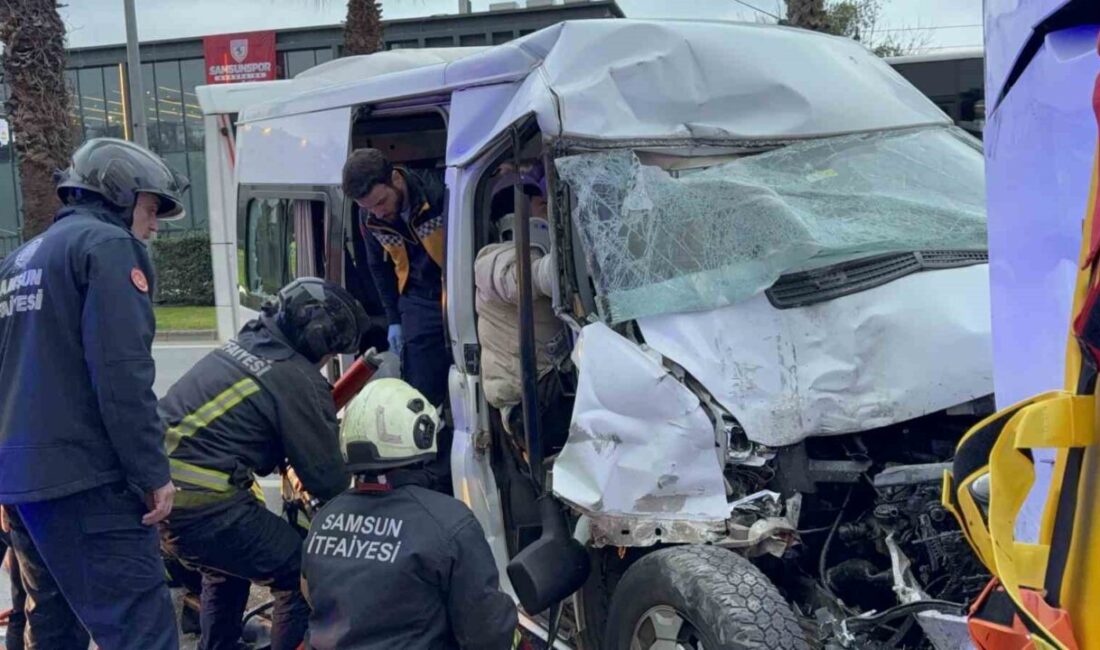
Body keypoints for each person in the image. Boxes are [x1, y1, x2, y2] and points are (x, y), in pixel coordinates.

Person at [0, 137, 188, 650]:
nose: (153, 225)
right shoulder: (107, 247)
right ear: (119, 196)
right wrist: (153, 473)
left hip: (24, 487)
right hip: (87, 483)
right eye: (150, 209)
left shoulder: (19, 260)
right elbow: (123, 375)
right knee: (141, 629)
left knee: (54, 628)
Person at [158, 277, 367, 650]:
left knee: (226, 569)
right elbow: (327, 480)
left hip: (163, 497)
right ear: (317, 340)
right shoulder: (295, 377)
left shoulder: (246, 343)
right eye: (331, 353)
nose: (328, 361)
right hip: (206, 507)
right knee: (300, 573)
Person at [301, 378, 518, 650]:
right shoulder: (449, 522)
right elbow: (487, 632)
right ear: (420, 433)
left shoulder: (324, 519)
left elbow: (312, 597)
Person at [341, 148, 450, 407]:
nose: (377, 213)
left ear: (396, 179)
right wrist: (393, 319)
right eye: (367, 207)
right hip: (418, 298)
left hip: (461, 288)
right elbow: (377, 267)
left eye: (380, 202)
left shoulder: (439, 193)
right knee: (421, 390)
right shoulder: (370, 216)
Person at [476, 167, 573, 451]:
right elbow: (519, 279)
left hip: (551, 383)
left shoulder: (538, 254)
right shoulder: (491, 260)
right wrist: (568, 263)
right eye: (543, 206)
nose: (551, 214)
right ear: (517, 216)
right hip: (529, 404)